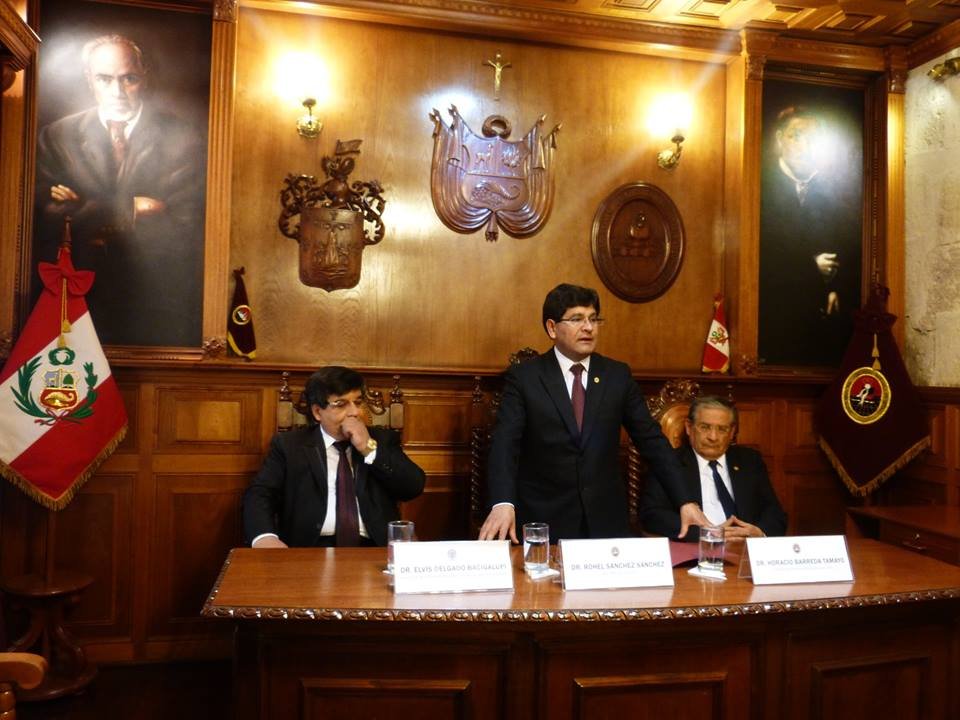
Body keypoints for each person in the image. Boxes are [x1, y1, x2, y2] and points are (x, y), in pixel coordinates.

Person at [478, 283, 710, 542]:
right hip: (545, 521)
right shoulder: (525, 378)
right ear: (552, 328)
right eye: (577, 319)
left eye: (593, 319)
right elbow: (504, 445)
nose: (588, 327)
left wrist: (685, 500)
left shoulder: (617, 375)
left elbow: (652, 441)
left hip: (605, 523)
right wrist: (502, 503)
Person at [34, 34, 205, 347]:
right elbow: (45, 220)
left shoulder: (184, 139)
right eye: (104, 79)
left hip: (154, 305)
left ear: (144, 77)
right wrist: (132, 209)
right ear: (90, 80)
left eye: (129, 79)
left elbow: (185, 225)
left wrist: (82, 206)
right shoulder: (58, 136)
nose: (117, 91)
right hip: (76, 305)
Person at [243, 366, 426, 547]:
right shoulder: (289, 445)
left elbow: (412, 487)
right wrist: (264, 536)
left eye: (358, 402)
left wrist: (368, 448)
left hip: (373, 547)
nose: (354, 412)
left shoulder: (381, 440)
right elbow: (260, 494)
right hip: (309, 548)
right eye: (341, 404)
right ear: (317, 412)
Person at [758, 105, 861, 367]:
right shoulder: (759, 187)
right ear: (780, 139)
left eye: (813, 139)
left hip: (821, 326)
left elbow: (852, 248)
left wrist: (836, 288)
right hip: (776, 322)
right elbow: (762, 256)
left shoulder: (836, 193)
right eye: (796, 136)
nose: (805, 146)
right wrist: (811, 266)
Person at [640, 396, 787, 541]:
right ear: (689, 427)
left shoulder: (750, 461)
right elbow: (651, 515)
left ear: (732, 432)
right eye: (705, 427)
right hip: (696, 547)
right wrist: (706, 534)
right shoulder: (668, 462)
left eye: (722, 429)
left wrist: (759, 533)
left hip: (744, 547)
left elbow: (774, 512)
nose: (713, 437)